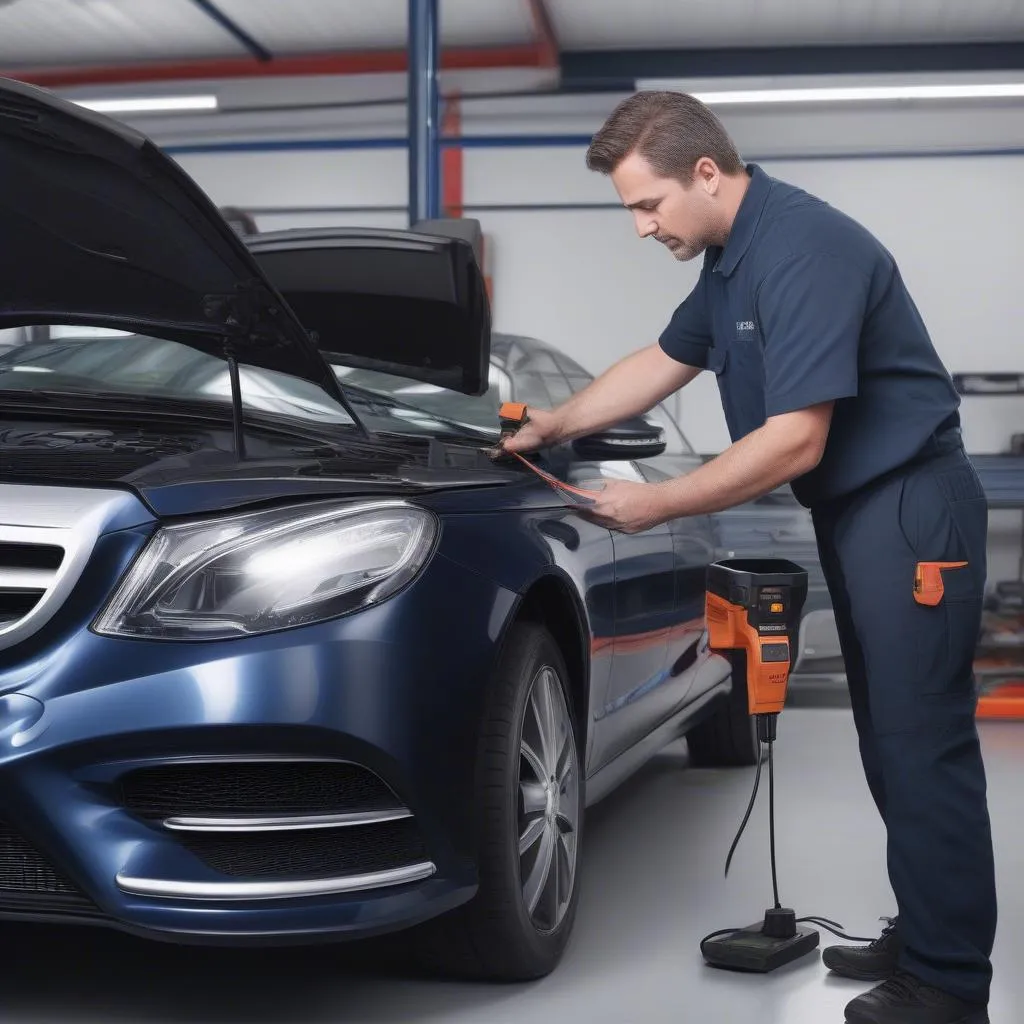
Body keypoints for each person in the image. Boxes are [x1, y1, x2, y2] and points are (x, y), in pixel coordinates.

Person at [497, 91, 997, 1024]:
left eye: (648, 206)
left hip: (910, 508)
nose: (642, 229)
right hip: (861, 513)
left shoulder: (804, 248)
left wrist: (659, 502)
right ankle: (927, 932)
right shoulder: (731, 263)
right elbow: (659, 359)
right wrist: (552, 423)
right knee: (887, 739)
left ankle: (950, 982)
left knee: (920, 741)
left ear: (707, 174)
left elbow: (795, 440)